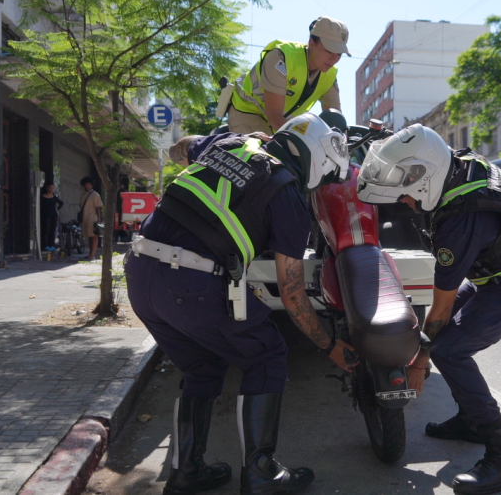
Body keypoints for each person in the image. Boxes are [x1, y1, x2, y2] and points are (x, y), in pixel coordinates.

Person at [124, 113, 357, 495]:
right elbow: (292, 292)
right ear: (316, 161)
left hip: (139, 272)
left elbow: (179, 147)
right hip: (191, 281)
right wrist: (329, 345)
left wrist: (237, 137)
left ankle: (187, 472)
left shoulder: (229, 143)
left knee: (204, 365)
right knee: (266, 354)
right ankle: (261, 473)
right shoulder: (287, 194)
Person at [356, 124, 501, 495]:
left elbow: (440, 310)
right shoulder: (458, 163)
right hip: (495, 277)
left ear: (425, 181)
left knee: (449, 350)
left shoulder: (460, 222)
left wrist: (419, 361)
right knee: (444, 343)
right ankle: (470, 422)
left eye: (406, 196)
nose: (406, 204)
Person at [226, 16, 350, 135]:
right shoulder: (281, 57)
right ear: (312, 43)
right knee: (262, 154)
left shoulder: (330, 74)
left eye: (339, 54)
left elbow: (335, 122)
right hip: (248, 111)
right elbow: (274, 116)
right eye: (329, 51)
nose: (334, 59)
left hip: (282, 124)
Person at [79, 177, 103, 260]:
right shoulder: (83, 194)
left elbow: (98, 207)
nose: (87, 186)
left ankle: (92, 255)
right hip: (85, 219)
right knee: (89, 236)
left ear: (92, 185)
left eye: (89, 184)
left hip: (92, 219)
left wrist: (99, 219)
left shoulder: (95, 194)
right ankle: (90, 254)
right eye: (85, 185)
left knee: (94, 236)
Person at [40, 183, 63, 251]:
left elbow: (61, 203)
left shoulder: (54, 197)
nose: (52, 189)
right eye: (50, 188)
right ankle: (45, 245)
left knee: (53, 230)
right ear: (47, 188)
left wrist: (57, 209)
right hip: (45, 215)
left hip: (53, 215)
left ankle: (52, 245)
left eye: (53, 188)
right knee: (46, 230)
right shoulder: (42, 197)